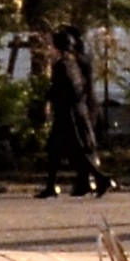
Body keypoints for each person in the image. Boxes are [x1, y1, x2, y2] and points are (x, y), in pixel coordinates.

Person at [36, 24, 107, 198]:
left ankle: (100, 177)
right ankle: (51, 186)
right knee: (55, 150)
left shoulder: (63, 65)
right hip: (71, 112)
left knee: (75, 150)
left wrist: (50, 98)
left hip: (69, 114)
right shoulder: (73, 63)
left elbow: (67, 88)